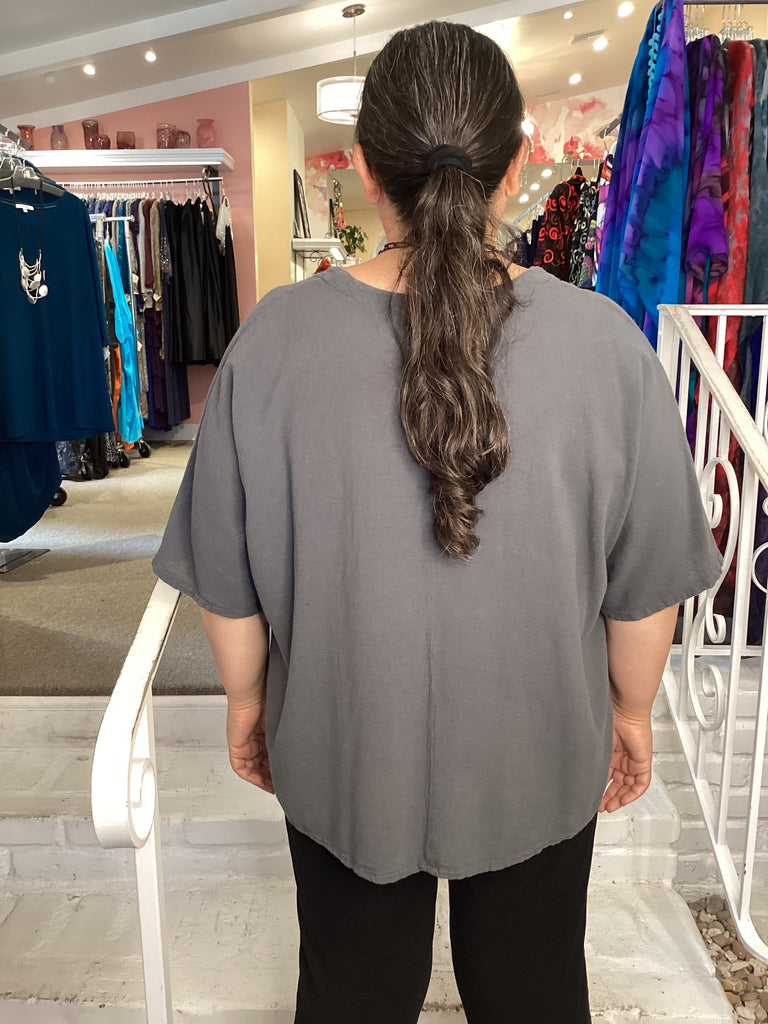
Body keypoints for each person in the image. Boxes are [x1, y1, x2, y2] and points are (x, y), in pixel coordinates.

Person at [152, 21, 722, 1024]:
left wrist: (246, 702)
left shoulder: (275, 338)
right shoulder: (606, 346)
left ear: (368, 171)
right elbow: (643, 592)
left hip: (342, 746)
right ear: (515, 169)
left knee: (350, 999)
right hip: (541, 747)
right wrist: (631, 713)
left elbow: (229, 582)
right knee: (536, 995)